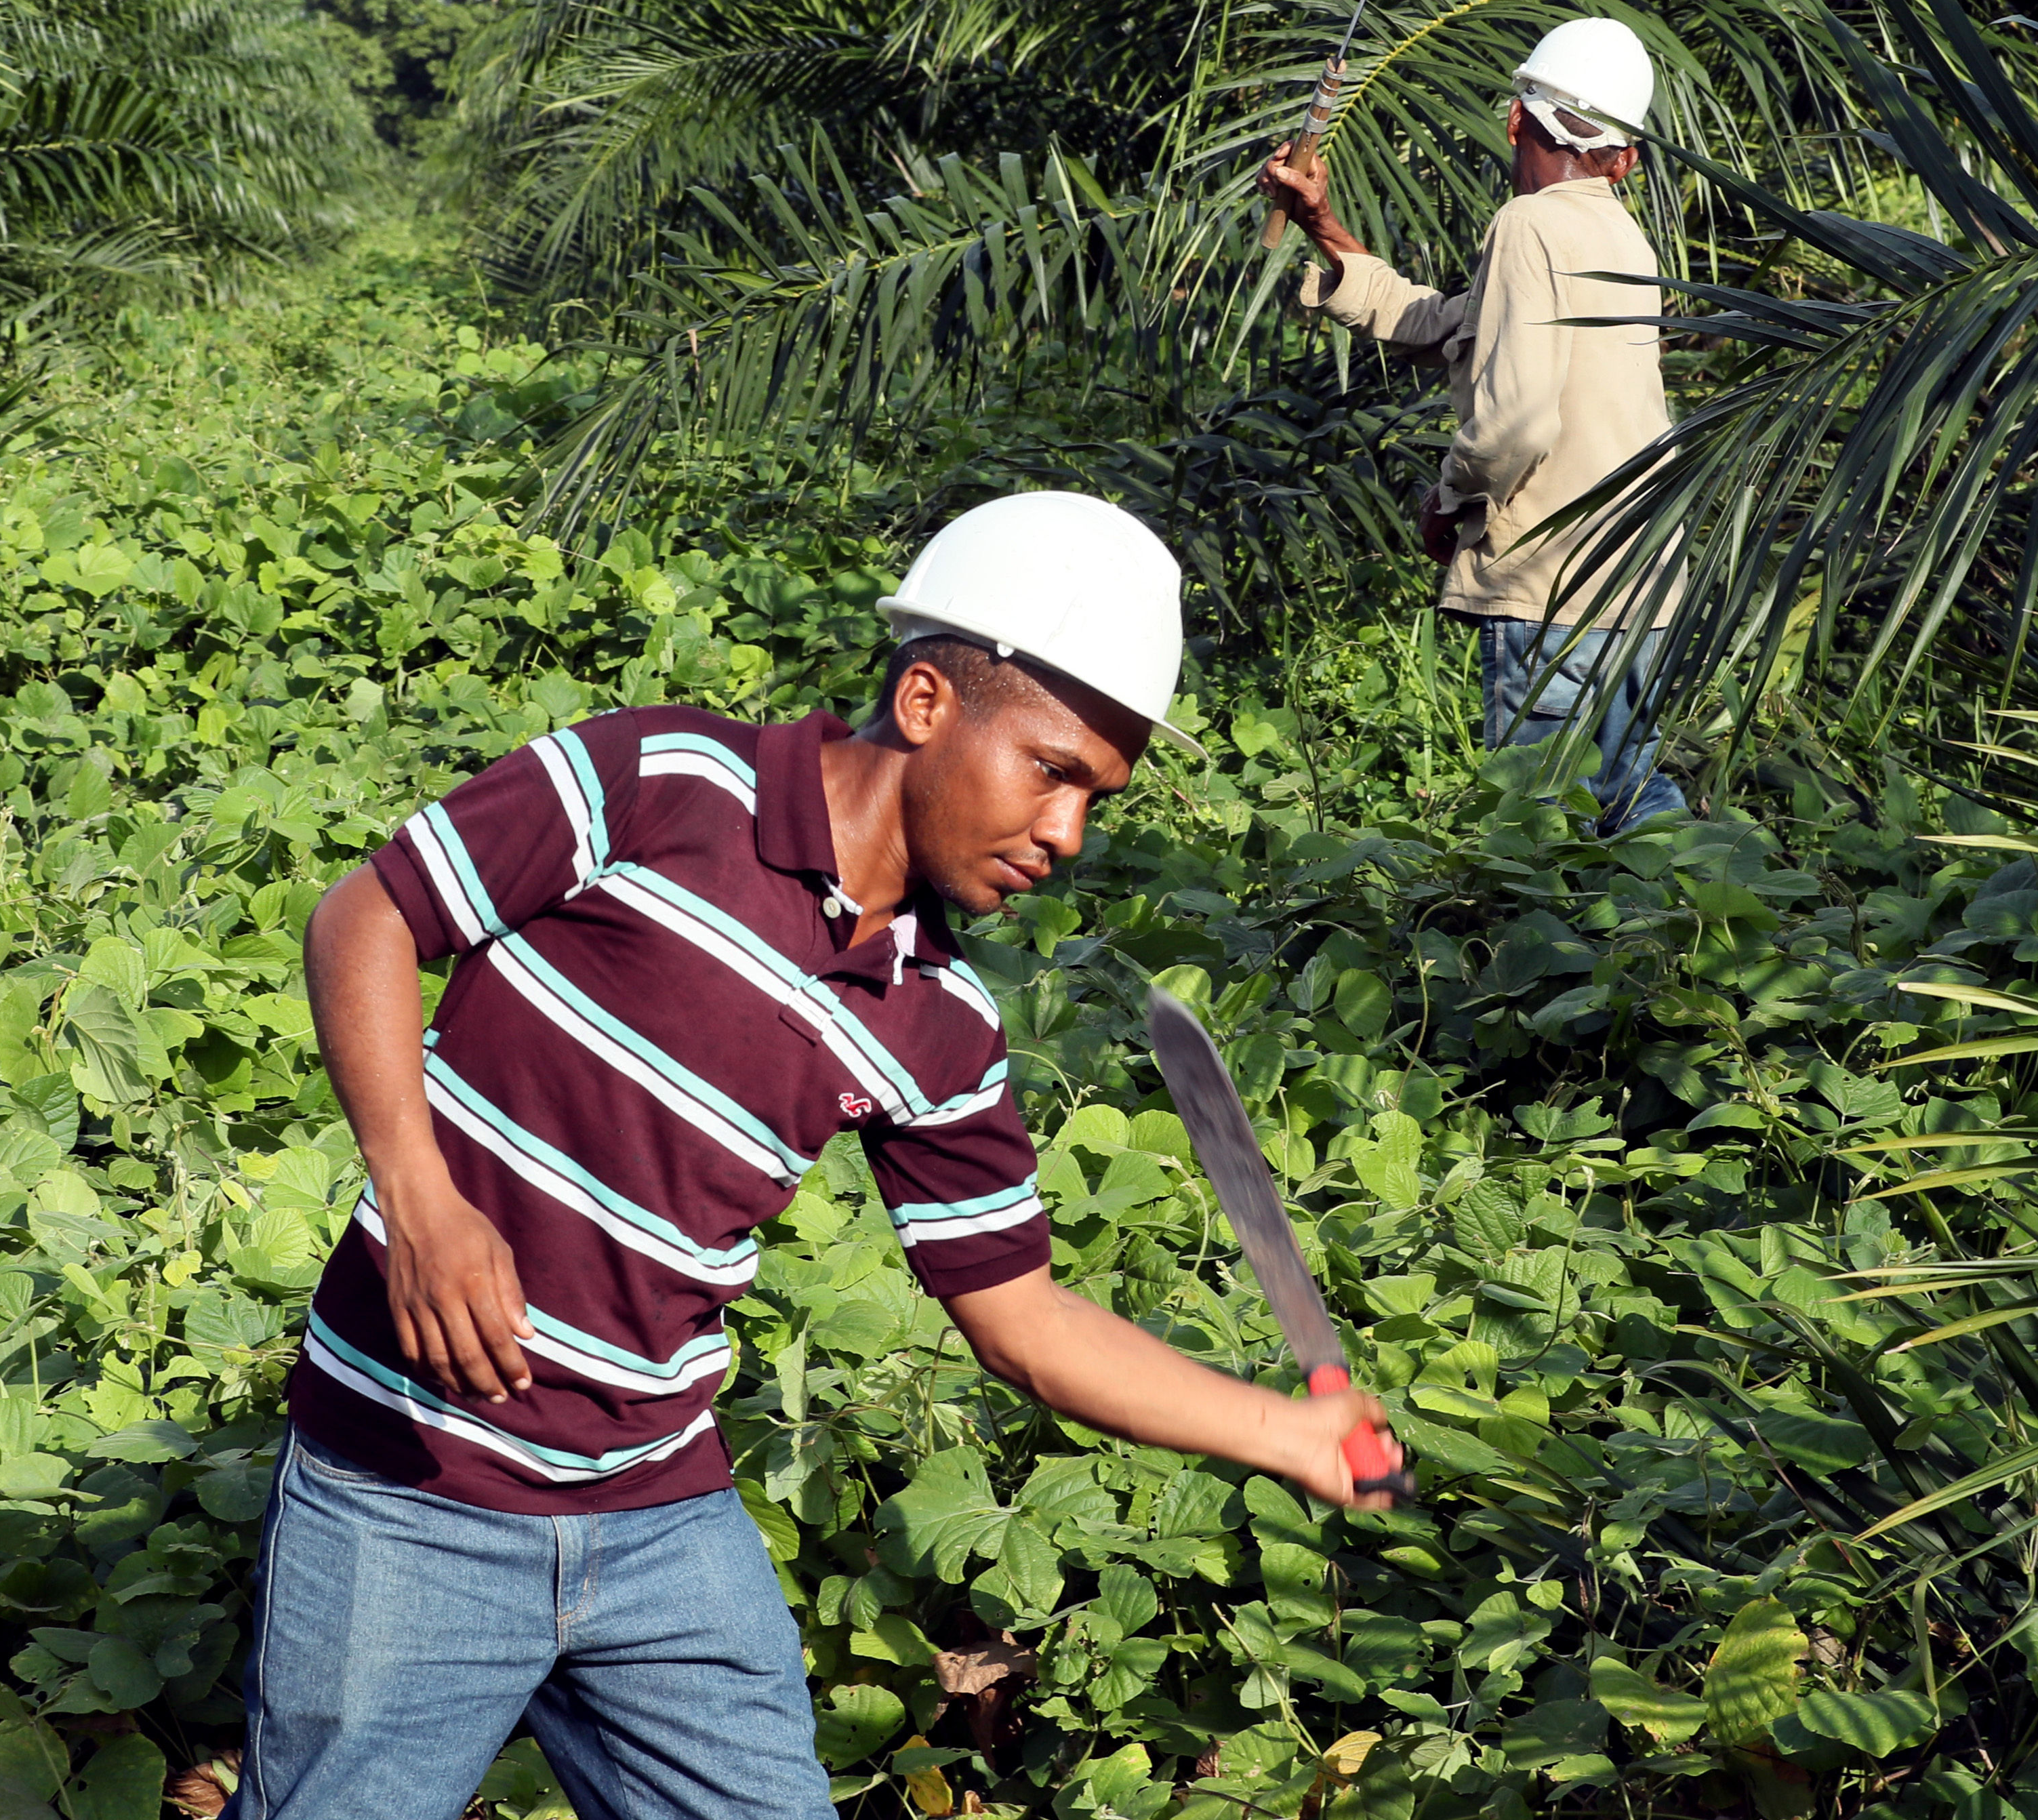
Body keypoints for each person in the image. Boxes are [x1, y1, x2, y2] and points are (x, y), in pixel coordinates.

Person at [235, 491, 1402, 1820]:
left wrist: (1292, 1437)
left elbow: (1020, 1318)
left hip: (658, 1516)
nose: (1067, 835)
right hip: (409, 1490)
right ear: (925, 704)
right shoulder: (659, 782)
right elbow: (367, 915)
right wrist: (420, 1195)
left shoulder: (940, 1022)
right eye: (1051, 771)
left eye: (1096, 799)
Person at [1259, 16, 1686, 833]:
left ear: (1518, 119)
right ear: (1624, 156)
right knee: (1637, 809)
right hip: (1638, 583)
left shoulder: (1527, 226)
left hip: (1550, 583)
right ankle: (1710, 946)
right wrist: (1319, 222)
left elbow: (1515, 422)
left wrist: (1451, 497)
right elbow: (1448, 322)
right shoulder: (1622, 236)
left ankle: (1556, 962)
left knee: (1535, 825)